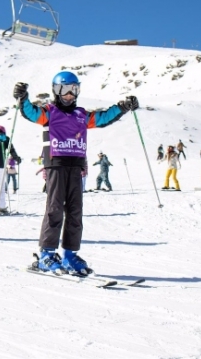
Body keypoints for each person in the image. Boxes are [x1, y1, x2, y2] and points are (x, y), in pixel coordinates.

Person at [13, 71, 139, 274]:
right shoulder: (49, 112)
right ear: (56, 90)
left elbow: (104, 117)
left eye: (74, 89)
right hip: (56, 163)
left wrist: (123, 106)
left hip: (77, 166)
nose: (70, 94)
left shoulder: (82, 115)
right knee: (54, 209)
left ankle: (69, 255)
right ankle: (46, 254)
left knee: (75, 212)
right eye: (64, 89)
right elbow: (30, 112)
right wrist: (22, 98)